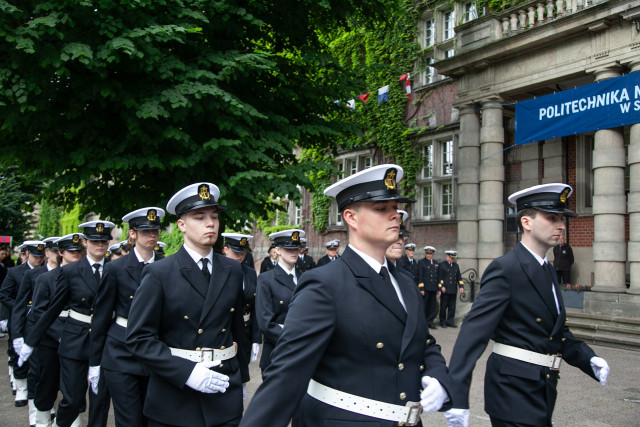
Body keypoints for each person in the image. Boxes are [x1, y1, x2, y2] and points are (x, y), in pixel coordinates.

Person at [240, 164, 453, 427]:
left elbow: (423, 342)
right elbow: (286, 375)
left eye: (396, 208)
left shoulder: (406, 283)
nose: (395, 215)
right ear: (351, 217)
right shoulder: (324, 283)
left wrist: (438, 375)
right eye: (381, 209)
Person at [444, 183, 610, 427]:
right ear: (526, 223)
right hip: (512, 390)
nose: (561, 225)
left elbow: (556, 332)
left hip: (541, 387)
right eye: (552, 218)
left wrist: (587, 358)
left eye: (561, 219)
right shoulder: (506, 268)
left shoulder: (548, 271)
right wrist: (456, 395)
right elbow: (473, 332)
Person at [125, 182, 249, 426]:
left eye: (214, 216)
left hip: (223, 387)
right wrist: (186, 372)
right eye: (200, 217)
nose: (211, 223)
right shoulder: (160, 273)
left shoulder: (233, 270)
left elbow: (237, 329)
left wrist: (242, 378)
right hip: (175, 395)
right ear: (181, 225)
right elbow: (138, 339)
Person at [19, 222, 114, 427]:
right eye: (95, 241)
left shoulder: (115, 269)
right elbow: (53, 309)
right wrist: (31, 341)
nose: (100, 245)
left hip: (105, 339)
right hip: (75, 339)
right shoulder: (71, 271)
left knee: (100, 400)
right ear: (86, 242)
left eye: (104, 241)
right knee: (72, 398)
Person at [89, 207, 165, 427]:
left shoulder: (166, 266)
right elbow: (101, 317)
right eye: (145, 231)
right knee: (129, 420)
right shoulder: (116, 268)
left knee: (152, 417)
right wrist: (95, 362)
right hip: (121, 351)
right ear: (133, 234)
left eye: (155, 231)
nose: (152, 235)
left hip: (154, 348)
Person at [29, 233, 85, 427]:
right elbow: (38, 312)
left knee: (76, 384)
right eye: (72, 251)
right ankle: (42, 419)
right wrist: (60, 335)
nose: (77, 254)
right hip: (52, 339)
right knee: (48, 381)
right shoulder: (46, 279)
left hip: (77, 338)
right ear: (61, 253)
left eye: (79, 251)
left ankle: (73, 420)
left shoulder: (86, 276)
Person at [12, 236, 59, 425]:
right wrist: (16, 334)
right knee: (36, 373)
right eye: (54, 250)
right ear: (47, 253)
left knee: (55, 376)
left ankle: (49, 407)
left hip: (60, 332)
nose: (57, 254)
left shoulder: (68, 274)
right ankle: (36, 413)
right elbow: (20, 305)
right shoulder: (33, 275)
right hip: (37, 332)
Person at [0, 240, 46, 408]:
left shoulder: (45, 272)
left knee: (36, 356)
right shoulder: (15, 272)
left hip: (37, 319)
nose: (38, 259)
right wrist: (20, 307)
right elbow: (4, 294)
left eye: (41, 256)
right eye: (35, 256)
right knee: (17, 352)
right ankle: (21, 388)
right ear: (27, 255)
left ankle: (33, 389)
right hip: (20, 317)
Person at [255, 229, 305, 377]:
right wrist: (294, 336)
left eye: (296, 248)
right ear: (277, 250)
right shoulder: (266, 279)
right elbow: (265, 322)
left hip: (303, 354)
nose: (294, 252)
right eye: (289, 248)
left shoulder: (306, 277)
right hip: (277, 353)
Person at [220, 233, 261, 379]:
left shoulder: (249, 273)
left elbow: (255, 307)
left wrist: (256, 337)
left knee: (242, 374)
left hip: (245, 330)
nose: (240, 256)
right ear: (225, 249)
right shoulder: (217, 272)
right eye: (236, 252)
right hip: (225, 331)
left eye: (243, 252)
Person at [437, 250, 464, 328]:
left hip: (453, 289)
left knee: (452, 307)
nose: (453, 260)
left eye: (454, 258)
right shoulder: (442, 265)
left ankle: (450, 321)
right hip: (445, 289)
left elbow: (459, 277)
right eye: (451, 258)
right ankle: (442, 321)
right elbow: (440, 277)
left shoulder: (456, 266)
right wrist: (441, 286)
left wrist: (461, 287)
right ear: (447, 256)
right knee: (444, 306)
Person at [418, 246, 439, 329]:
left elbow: (437, 276)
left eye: (430, 254)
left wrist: (438, 288)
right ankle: (424, 322)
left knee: (432, 306)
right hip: (426, 289)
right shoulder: (421, 262)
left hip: (433, 288)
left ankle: (430, 322)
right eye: (427, 253)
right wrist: (421, 288)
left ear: (433, 254)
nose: (428, 255)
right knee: (425, 306)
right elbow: (420, 276)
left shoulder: (436, 263)